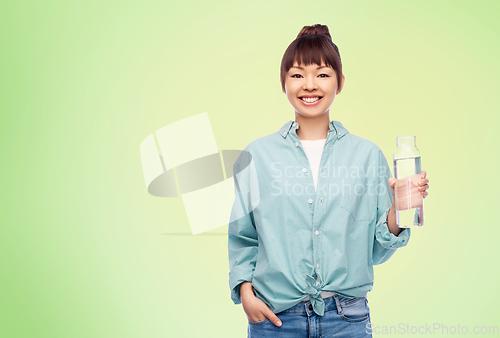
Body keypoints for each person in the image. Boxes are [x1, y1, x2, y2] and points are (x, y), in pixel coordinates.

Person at [227, 24, 430, 338]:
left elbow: (375, 248)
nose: (310, 85)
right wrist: (245, 293)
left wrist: (400, 211)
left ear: (340, 82)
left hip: (346, 320)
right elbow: (244, 236)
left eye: (322, 74)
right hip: (275, 318)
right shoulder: (257, 156)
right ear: (283, 83)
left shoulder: (366, 155)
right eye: (297, 75)